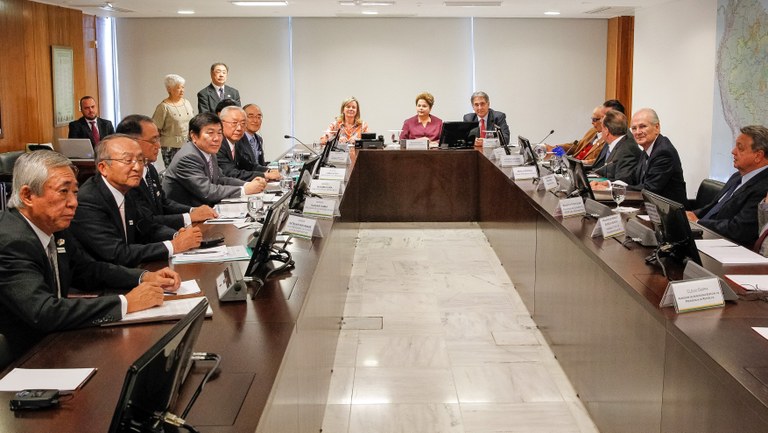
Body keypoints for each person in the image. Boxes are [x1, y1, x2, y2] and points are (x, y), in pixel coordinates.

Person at [0, 150, 180, 359]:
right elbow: (44, 311)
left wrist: (144, 277)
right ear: (27, 195)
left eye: (75, 192)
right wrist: (125, 303)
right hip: (23, 357)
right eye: (63, 191)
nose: (73, 202)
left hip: (57, 340)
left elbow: (89, 270)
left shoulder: (53, 226)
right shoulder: (11, 241)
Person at [70, 135, 202, 267]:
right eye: (128, 160)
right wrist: (173, 246)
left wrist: (177, 235)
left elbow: (147, 227)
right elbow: (116, 253)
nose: (137, 167)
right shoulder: (89, 200)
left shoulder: (126, 188)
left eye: (140, 160)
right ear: (103, 167)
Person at [116, 115, 218, 229]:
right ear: (132, 142)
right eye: (153, 140)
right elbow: (144, 221)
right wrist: (188, 218)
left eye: (158, 139)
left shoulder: (149, 168)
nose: (158, 146)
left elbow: (163, 203)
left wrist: (193, 210)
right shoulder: (126, 176)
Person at [688, 125, 768, 248]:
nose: (733, 151)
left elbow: (740, 229)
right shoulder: (736, 176)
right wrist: (688, 215)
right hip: (705, 236)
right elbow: (713, 208)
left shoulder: (763, 187)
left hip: (726, 246)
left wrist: (698, 222)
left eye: (740, 148)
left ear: (758, 156)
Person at [163, 113, 267, 207]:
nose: (216, 138)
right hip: (188, 214)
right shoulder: (188, 157)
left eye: (219, 133)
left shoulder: (208, 151)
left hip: (206, 209)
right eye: (210, 133)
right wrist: (244, 190)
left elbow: (220, 179)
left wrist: (246, 184)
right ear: (194, 136)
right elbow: (207, 192)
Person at [625, 108, 686, 203]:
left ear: (657, 127)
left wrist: (617, 189)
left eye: (642, 126)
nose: (637, 132)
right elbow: (633, 178)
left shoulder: (663, 152)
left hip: (669, 210)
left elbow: (649, 189)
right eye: (634, 128)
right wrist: (609, 184)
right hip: (651, 206)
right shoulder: (648, 148)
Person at [217, 106, 279, 181]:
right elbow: (231, 173)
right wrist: (264, 175)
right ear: (221, 124)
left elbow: (248, 166)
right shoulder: (217, 144)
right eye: (234, 123)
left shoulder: (235, 143)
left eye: (243, 123)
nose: (239, 128)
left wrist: (269, 171)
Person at [152, 74, 195, 167]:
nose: (182, 90)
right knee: (174, 172)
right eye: (178, 88)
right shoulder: (163, 107)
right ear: (169, 89)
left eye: (183, 87)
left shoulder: (187, 103)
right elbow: (155, 129)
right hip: (171, 148)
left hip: (188, 145)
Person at [589, 109, 639, 183]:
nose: (601, 132)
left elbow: (622, 182)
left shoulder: (627, 151)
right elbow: (603, 170)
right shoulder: (614, 145)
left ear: (606, 131)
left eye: (602, 128)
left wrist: (604, 184)